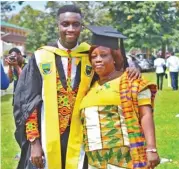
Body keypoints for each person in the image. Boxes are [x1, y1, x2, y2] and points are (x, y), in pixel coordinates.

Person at [13, 5, 141, 169]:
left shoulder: (91, 55)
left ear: (82, 26)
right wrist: (34, 141)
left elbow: (110, 78)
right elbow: (28, 102)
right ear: (57, 25)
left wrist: (129, 69)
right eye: (65, 24)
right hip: (46, 135)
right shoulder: (41, 56)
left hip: (82, 134)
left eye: (76, 24)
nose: (71, 29)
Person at [79, 26, 160, 169]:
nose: (98, 59)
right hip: (95, 160)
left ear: (115, 58)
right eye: (93, 56)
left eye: (103, 55)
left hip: (124, 157)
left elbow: (145, 115)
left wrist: (151, 148)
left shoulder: (131, 81)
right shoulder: (90, 86)